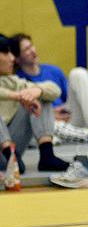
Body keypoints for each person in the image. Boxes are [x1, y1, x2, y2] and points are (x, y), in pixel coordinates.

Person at [11, 33, 88, 144]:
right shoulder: (17, 80)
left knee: (78, 73)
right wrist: (50, 115)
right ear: (17, 58)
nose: (32, 51)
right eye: (26, 49)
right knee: (45, 125)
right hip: (48, 124)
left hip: (69, 118)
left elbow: (69, 101)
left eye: (31, 46)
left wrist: (64, 109)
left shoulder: (53, 71)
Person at [0, 34, 70, 175]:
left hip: (10, 150)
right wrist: (17, 96)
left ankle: (46, 156)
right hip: (3, 149)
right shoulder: (12, 88)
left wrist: (37, 91)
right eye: (6, 53)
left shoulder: (12, 81)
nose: (12, 58)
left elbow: (53, 89)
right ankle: (9, 157)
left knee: (40, 96)